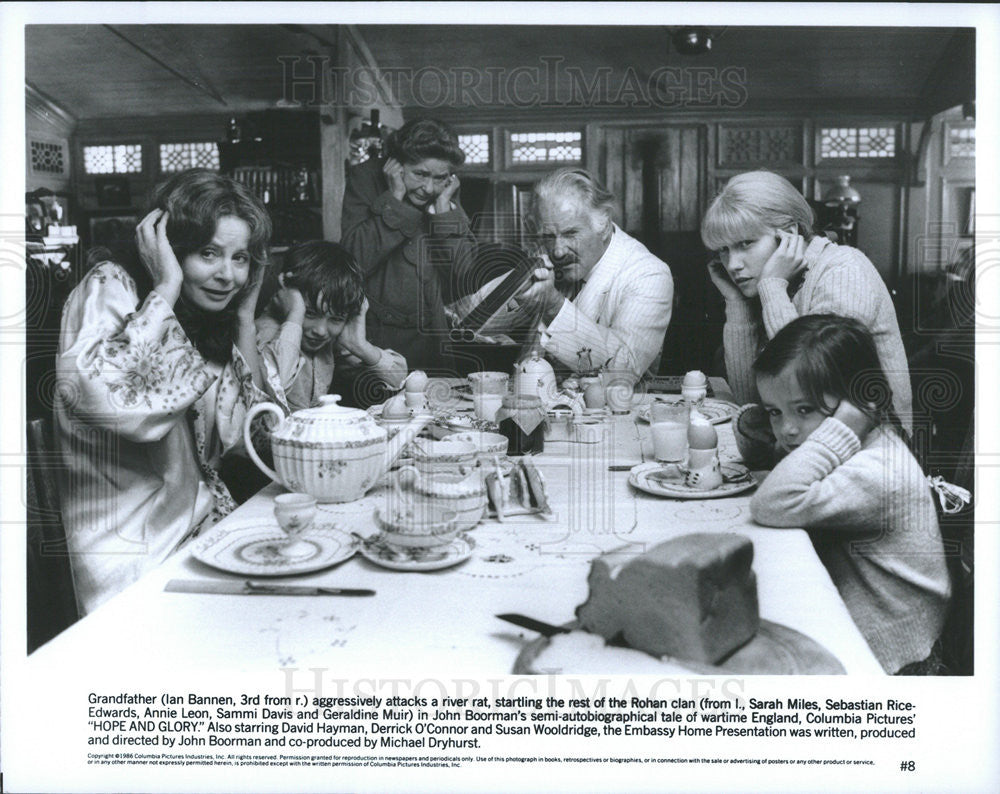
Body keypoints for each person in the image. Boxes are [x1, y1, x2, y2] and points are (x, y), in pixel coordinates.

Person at [54, 169, 276, 614]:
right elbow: (108, 399)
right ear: (166, 248)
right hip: (132, 553)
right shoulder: (111, 284)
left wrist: (245, 321)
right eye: (208, 253)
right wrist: (167, 286)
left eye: (241, 258)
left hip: (204, 529)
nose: (227, 276)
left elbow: (253, 436)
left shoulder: (207, 316)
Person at [747, 315, 950, 675]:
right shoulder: (859, 442)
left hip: (896, 659)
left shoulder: (878, 472)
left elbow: (773, 502)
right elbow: (790, 468)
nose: (787, 430)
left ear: (857, 404)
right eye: (774, 412)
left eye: (805, 409)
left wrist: (842, 424)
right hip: (874, 625)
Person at [700, 169, 912, 431]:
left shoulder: (844, 269)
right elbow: (757, 407)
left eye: (745, 243)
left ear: (789, 234)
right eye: (724, 249)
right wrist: (737, 305)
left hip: (873, 454)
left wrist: (772, 287)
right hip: (812, 447)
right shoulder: (777, 282)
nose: (733, 264)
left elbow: (814, 387)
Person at [340, 118, 476, 375]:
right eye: (420, 174)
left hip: (432, 340)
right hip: (376, 340)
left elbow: (464, 273)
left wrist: (445, 209)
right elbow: (352, 261)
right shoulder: (365, 178)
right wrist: (395, 200)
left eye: (440, 178)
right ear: (396, 165)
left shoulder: (443, 190)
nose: (428, 188)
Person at [514, 167, 673, 382]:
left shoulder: (648, 274)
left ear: (604, 225)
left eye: (571, 233)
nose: (558, 250)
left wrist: (553, 304)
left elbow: (623, 370)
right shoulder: (547, 255)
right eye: (549, 236)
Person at [255, 240, 408, 413]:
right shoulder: (266, 332)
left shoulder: (327, 343)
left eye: (336, 318)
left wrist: (359, 345)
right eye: (310, 313)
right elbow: (276, 384)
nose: (320, 330)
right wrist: (296, 314)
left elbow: (398, 379)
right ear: (287, 298)